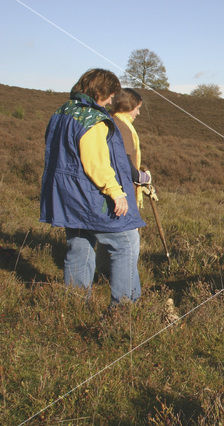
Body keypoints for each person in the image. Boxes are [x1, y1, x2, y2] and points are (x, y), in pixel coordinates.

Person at [39, 69, 146, 305]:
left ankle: (76, 304)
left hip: (66, 196)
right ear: (100, 91)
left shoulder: (62, 112)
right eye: (109, 95)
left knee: (79, 245)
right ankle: (124, 309)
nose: (110, 101)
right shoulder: (93, 121)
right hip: (90, 196)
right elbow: (96, 163)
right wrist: (117, 193)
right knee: (127, 241)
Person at [111, 88, 150, 210]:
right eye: (137, 108)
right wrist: (141, 177)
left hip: (114, 191)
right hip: (123, 194)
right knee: (129, 229)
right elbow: (124, 163)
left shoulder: (112, 120)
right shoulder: (123, 128)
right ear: (128, 107)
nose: (138, 113)